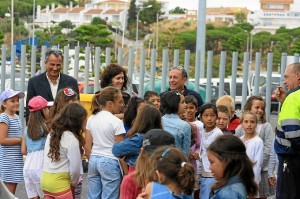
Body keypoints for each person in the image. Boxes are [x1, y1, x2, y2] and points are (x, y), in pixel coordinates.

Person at [84, 86, 125, 199]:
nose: (122, 104)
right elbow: (120, 150)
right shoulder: (116, 122)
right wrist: (126, 172)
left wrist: (91, 159)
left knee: (93, 196)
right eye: (120, 101)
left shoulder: (91, 118)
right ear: (110, 103)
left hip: (94, 159)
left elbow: (87, 146)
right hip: (110, 161)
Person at [40, 103, 87, 198]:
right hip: (60, 184)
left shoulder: (52, 134)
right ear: (78, 121)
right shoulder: (71, 139)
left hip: (45, 180)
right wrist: (73, 183)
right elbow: (75, 169)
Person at [235, 96, 275, 198]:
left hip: (260, 172)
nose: (260, 110)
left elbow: (268, 149)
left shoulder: (266, 127)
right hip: (242, 173)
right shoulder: (240, 128)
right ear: (249, 108)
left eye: (262, 108)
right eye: (257, 107)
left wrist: (259, 167)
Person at [120, 129, 175, 199]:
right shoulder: (130, 181)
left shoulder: (180, 179)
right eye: (152, 156)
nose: (156, 161)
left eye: (161, 156)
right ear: (143, 153)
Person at [26, 48, 79, 121]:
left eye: (58, 65)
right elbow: (30, 109)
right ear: (45, 63)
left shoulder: (71, 82)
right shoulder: (34, 82)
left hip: (65, 126)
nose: (55, 68)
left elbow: (76, 108)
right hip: (42, 127)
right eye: (52, 64)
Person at [273, 63, 300, 199]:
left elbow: (293, 134)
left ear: (298, 76)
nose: (284, 81)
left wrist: (287, 102)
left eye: (287, 77)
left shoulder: (294, 97)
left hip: (292, 162)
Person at [207, 135, 258, 199]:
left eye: (211, 162)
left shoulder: (229, 193)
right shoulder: (237, 184)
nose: (210, 167)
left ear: (227, 162)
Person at [21, 96, 52, 199]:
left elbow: (23, 150)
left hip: (28, 166)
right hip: (41, 165)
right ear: (44, 110)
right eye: (48, 109)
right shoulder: (47, 128)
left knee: (33, 197)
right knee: (46, 196)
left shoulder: (26, 129)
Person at [0, 89, 25, 194]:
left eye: (17, 100)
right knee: (9, 193)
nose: (16, 103)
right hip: (8, 161)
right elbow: (2, 140)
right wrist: (21, 140)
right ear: (4, 104)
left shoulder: (16, 117)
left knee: (11, 190)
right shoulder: (4, 117)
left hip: (15, 159)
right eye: (12, 101)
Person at [198, 103, 223, 199]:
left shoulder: (217, 134)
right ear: (201, 118)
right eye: (206, 116)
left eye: (212, 115)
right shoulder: (202, 131)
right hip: (204, 171)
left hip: (213, 174)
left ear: (216, 117)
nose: (209, 119)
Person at [239, 111, 263, 197]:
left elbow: (257, 165)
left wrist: (253, 186)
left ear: (256, 124)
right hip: (240, 180)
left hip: (251, 181)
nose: (249, 124)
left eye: (252, 122)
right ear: (241, 123)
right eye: (246, 121)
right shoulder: (240, 140)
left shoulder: (258, 141)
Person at [161, 91, 191, 158]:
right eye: (182, 102)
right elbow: (185, 153)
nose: (186, 105)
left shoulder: (158, 120)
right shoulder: (185, 126)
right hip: (177, 163)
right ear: (175, 104)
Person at [184, 95, 202, 198]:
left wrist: (196, 153)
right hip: (182, 163)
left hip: (193, 164)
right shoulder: (180, 124)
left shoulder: (199, 125)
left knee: (191, 190)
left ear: (196, 109)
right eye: (186, 108)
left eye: (191, 108)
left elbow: (199, 145)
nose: (188, 111)